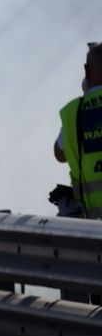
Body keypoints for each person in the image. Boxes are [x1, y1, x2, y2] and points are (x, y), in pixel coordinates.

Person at [53, 42, 102, 219]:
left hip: (91, 225)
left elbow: (59, 154)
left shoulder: (73, 112)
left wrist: (87, 97)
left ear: (86, 72)